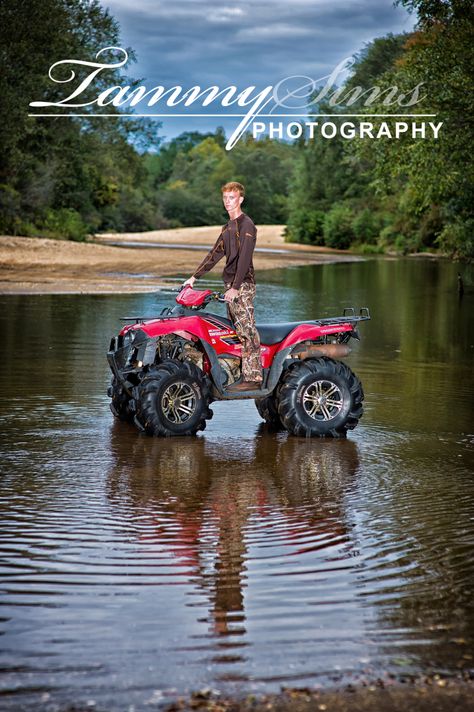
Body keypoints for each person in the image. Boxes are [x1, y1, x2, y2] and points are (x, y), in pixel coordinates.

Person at [182, 181, 263, 391]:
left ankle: (253, 379)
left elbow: (245, 259)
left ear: (241, 199)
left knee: (247, 330)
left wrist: (235, 287)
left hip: (243, 285)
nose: (228, 202)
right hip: (230, 285)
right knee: (232, 330)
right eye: (225, 198)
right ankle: (234, 371)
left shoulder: (247, 225)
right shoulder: (227, 227)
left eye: (232, 198)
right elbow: (215, 253)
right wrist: (194, 277)